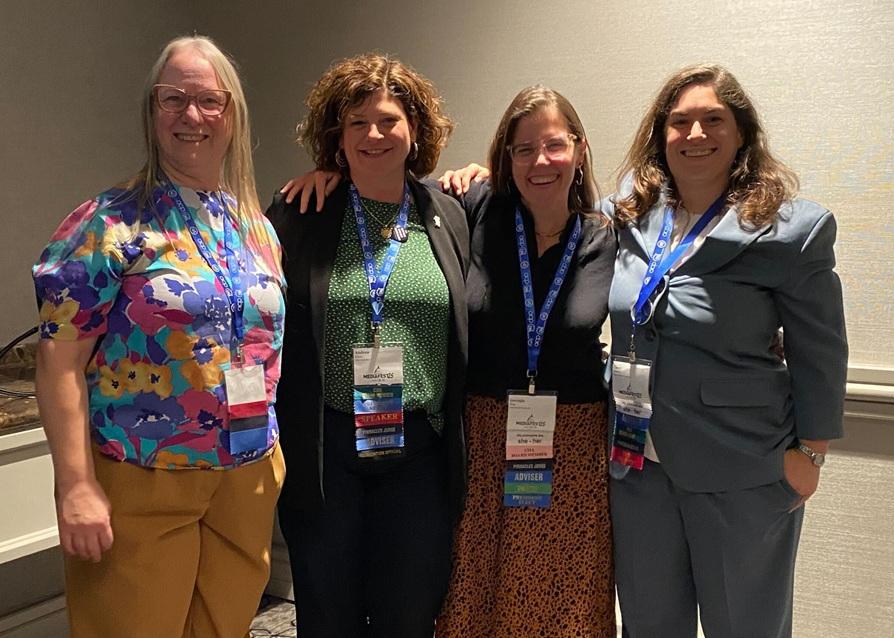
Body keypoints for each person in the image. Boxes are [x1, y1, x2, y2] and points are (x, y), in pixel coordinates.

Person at [282, 85, 618, 638]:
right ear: (503, 158)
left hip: (561, 442)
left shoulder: (607, 234)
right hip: (474, 435)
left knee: (558, 597)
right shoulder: (475, 210)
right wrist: (329, 173)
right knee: (469, 593)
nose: (540, 161)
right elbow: (384, 182)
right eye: (522, 148)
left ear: (579, 149)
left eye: (554, 145)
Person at [32, 35, 286, 637]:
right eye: (173, 99)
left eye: (208, 101)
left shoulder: (255, 228)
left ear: (234, 113)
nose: (191, 116)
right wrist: (76, 487)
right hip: (142, 473)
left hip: (245, 475)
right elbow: (58, 365)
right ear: (151, 112)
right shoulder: (108, 224)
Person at [605, 64, 847, 638]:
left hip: (744, 470)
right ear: (659, 135)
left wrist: (809, 457)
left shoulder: (792, 230)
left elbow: (821, 351)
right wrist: (481, 172)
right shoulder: (631, 215)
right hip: (638, 468)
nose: (695, 135)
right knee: (649, 625)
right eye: (680, 121)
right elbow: (549, 197)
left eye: (713, 120)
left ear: (741, 133)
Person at [265, 53, 470, 638]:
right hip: (329, 450)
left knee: (410, 613)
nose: (373, 134)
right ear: (337, 135)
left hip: (420, 455)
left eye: (388, 120)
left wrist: (479, 171)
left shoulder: (449, 215)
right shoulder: (302, 211)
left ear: (416, 130)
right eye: (357, 122)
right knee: (329, 616)